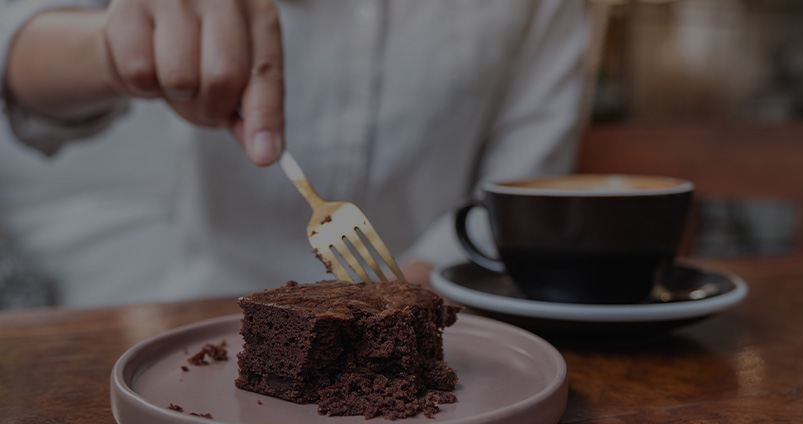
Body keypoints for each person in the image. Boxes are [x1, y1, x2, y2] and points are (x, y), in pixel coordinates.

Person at [0, 0, 589, 308]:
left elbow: (518, 195)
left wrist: (393, 300)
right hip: (202, 315)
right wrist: (116, 46)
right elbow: (15, 53)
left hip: (433, 304)